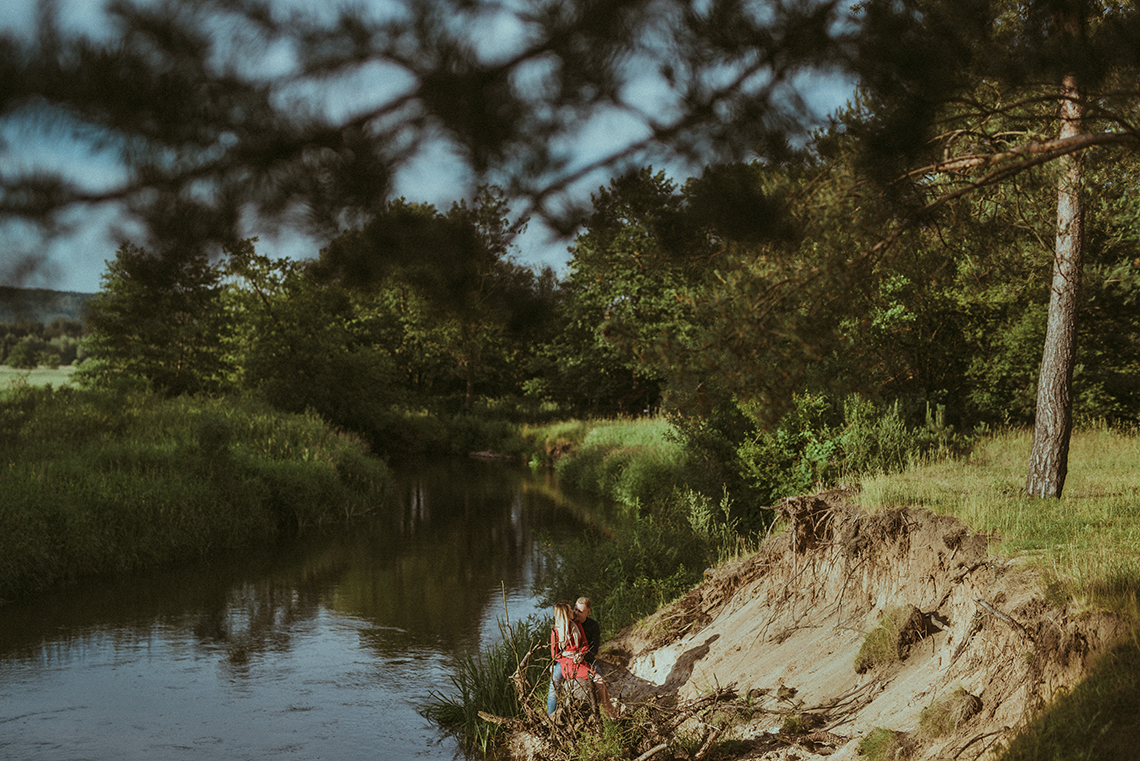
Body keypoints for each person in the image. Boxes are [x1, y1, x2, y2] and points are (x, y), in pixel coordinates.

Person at [548, 602, 592, 713]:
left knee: (597, 676)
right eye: (570, 610)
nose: (573, 611)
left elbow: (585, 644)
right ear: (565, 614)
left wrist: (581, 654)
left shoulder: (576, 626)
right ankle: (551, 715)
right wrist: (568, 661)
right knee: (554, 686)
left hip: (578, 658)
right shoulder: (555, 632)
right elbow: (555, 656)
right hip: (564, 661)